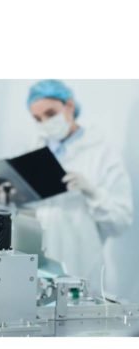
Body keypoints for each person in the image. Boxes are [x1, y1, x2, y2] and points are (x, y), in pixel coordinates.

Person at [27, 79, 133, 293]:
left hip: (81, 262)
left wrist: (93, 192)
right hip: (40, 263)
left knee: (79, 307)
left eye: (50, 113)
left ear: (69, 106)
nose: (45, 122)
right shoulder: (37, 149)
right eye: (38, 118)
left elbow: (121, 220)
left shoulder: (101, 152)